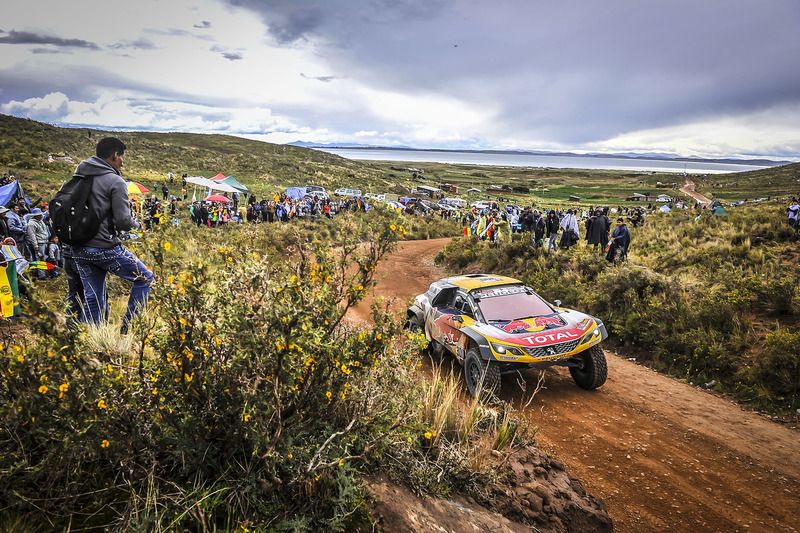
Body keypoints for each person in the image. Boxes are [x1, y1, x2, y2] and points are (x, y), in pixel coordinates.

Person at [69, 137, 153, 334]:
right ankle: (129, 329)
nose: (123, 160)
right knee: (145, 278)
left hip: (78, 247)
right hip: (104, 247)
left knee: (93, 296)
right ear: (115, 155)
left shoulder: (79, 175)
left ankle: (92, 340)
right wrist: (137, 225)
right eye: (122, 156)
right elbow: (123, 221)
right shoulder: (115, 181)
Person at [25, 208, 49, 279]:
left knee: (43, 258)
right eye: (39, 215)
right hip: (39, 243)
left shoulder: (41, 221)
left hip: (44, 241)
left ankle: (40, 272)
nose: (41, 216)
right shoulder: (31, 224)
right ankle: (41, 275)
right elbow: (32, 236)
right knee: (40, 258)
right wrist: (35, 246)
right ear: (35, 216)